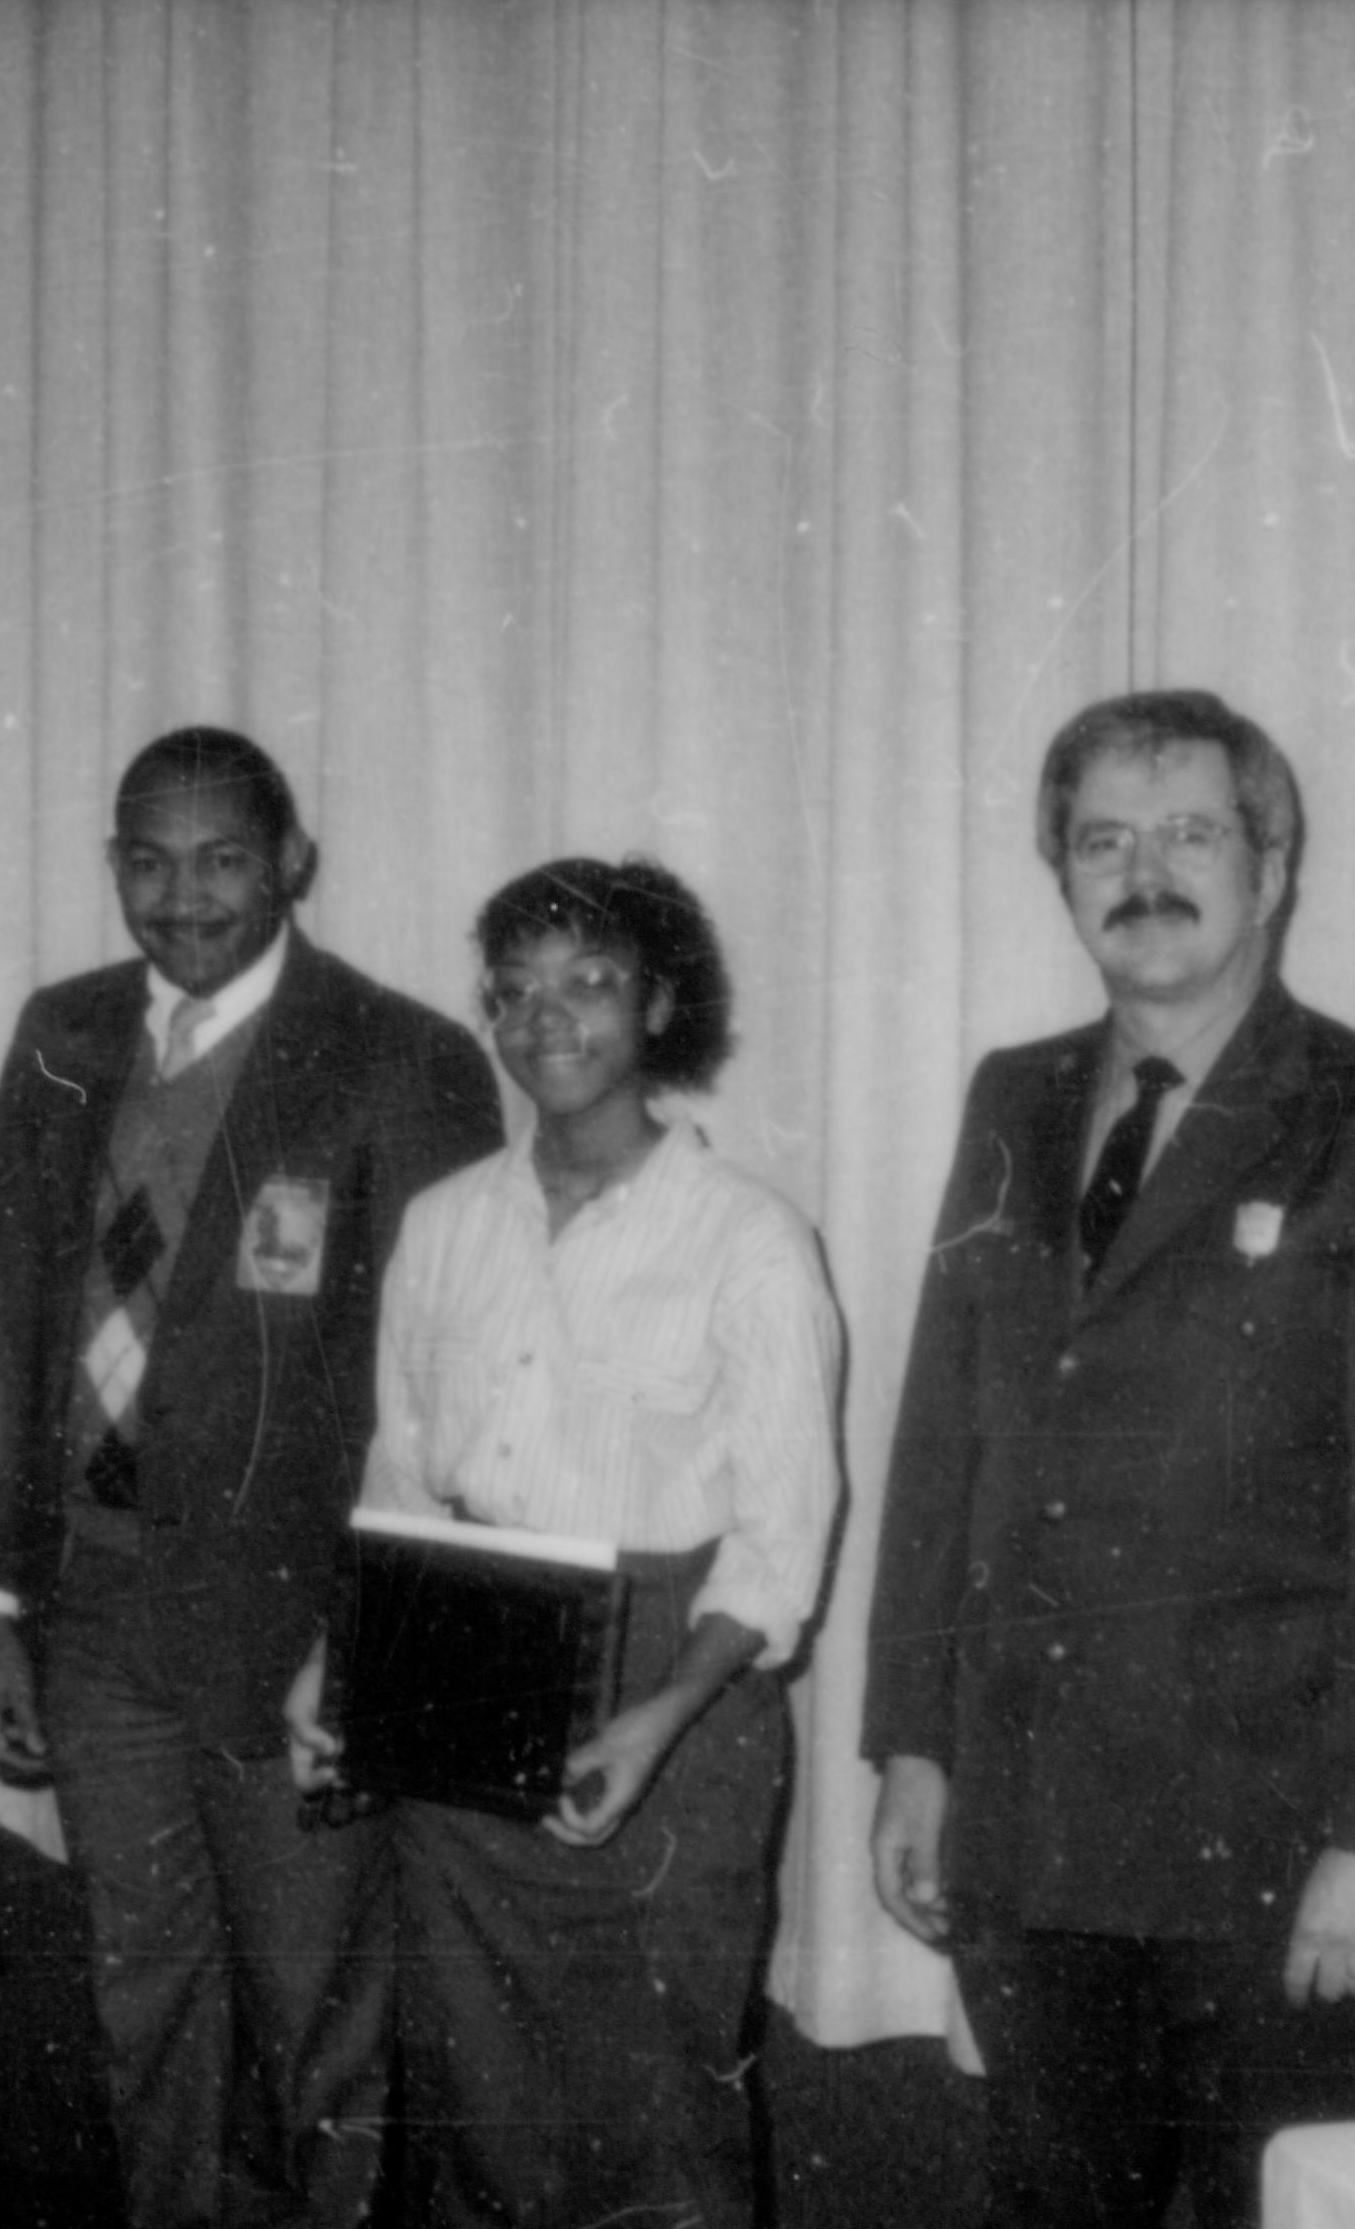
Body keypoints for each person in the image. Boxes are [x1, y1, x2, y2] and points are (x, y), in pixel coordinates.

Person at [861, 691, 1355, 2229]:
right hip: (1029, 1830)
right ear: (1061, 872)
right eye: (1104, 839)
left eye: (1190, 834)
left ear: (1275, 861)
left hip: (1270, 1853)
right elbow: (942, 1442)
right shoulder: (1011, 1100)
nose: (1145, 873)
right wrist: (914, 1737)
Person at [0, 727, 503, 2229]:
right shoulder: (60, 1033)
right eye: (147, 857)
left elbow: (439, 1384)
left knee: (321, 2014)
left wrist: (373, 1637)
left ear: (294, 864)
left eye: (223, 858)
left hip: (296, 1634)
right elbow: (11, 1330)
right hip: (93, 1610)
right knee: (146, 1990)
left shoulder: (404, 1057)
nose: (182, 894)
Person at [283, 856, 842, 2229]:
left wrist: (656, 1720)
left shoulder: (751, 1240)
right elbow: (402, 1475)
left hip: (677, 1680)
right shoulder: (445, 1221)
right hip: (465, 1659)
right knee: (480, 2095)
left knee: (657, 2106)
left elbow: (781, 1544)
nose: (548, 1019)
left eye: (589, 983)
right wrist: (336, 1667)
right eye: (517, 990)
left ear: (658, 1005)